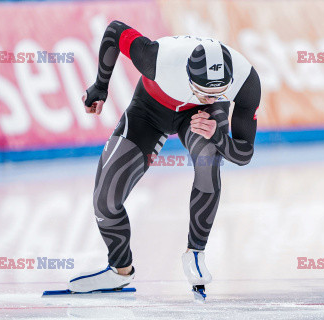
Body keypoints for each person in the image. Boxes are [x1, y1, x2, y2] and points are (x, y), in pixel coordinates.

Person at [68, 20, 261, 296]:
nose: (212, 98)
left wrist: (218, 137)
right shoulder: (155, 58)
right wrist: (100, 85)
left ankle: (195, 252)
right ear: (188, 78)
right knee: (105, 200)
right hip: (149, 109)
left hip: (195, 118)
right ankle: (119, 269)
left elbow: (244, 154)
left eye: (219, 93)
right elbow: (114, 31)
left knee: (208, 160)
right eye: (205, 92)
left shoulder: (246, 81)